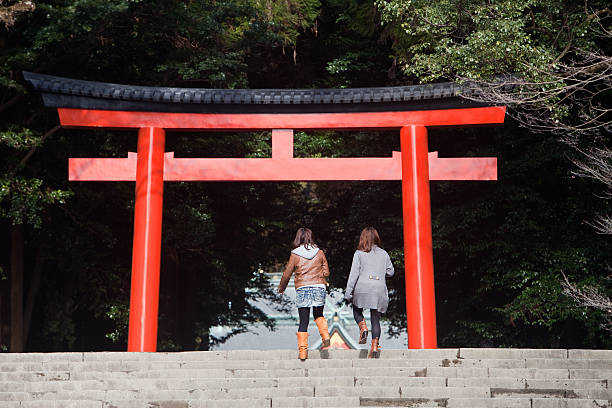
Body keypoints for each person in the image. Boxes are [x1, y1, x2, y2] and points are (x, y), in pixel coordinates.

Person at [278, 227, 330, 360]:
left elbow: (287, 274)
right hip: (319, 287)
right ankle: (325, 336)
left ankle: (302, 352)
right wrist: (320, 276)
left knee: (304, 320)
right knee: (318, 314)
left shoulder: (295, 254)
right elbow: (327, 272)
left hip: (302, 288)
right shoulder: (319, 253)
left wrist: (281, 288)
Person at [344, 227, 394, 358]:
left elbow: (353, 274)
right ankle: (374, 345)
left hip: (362, 287)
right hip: (379, 288)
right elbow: (391, 271)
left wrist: (348, 293)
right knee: (375, 318)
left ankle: (363, 327)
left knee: (356, 309)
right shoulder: (384, 254)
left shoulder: (359, 253)